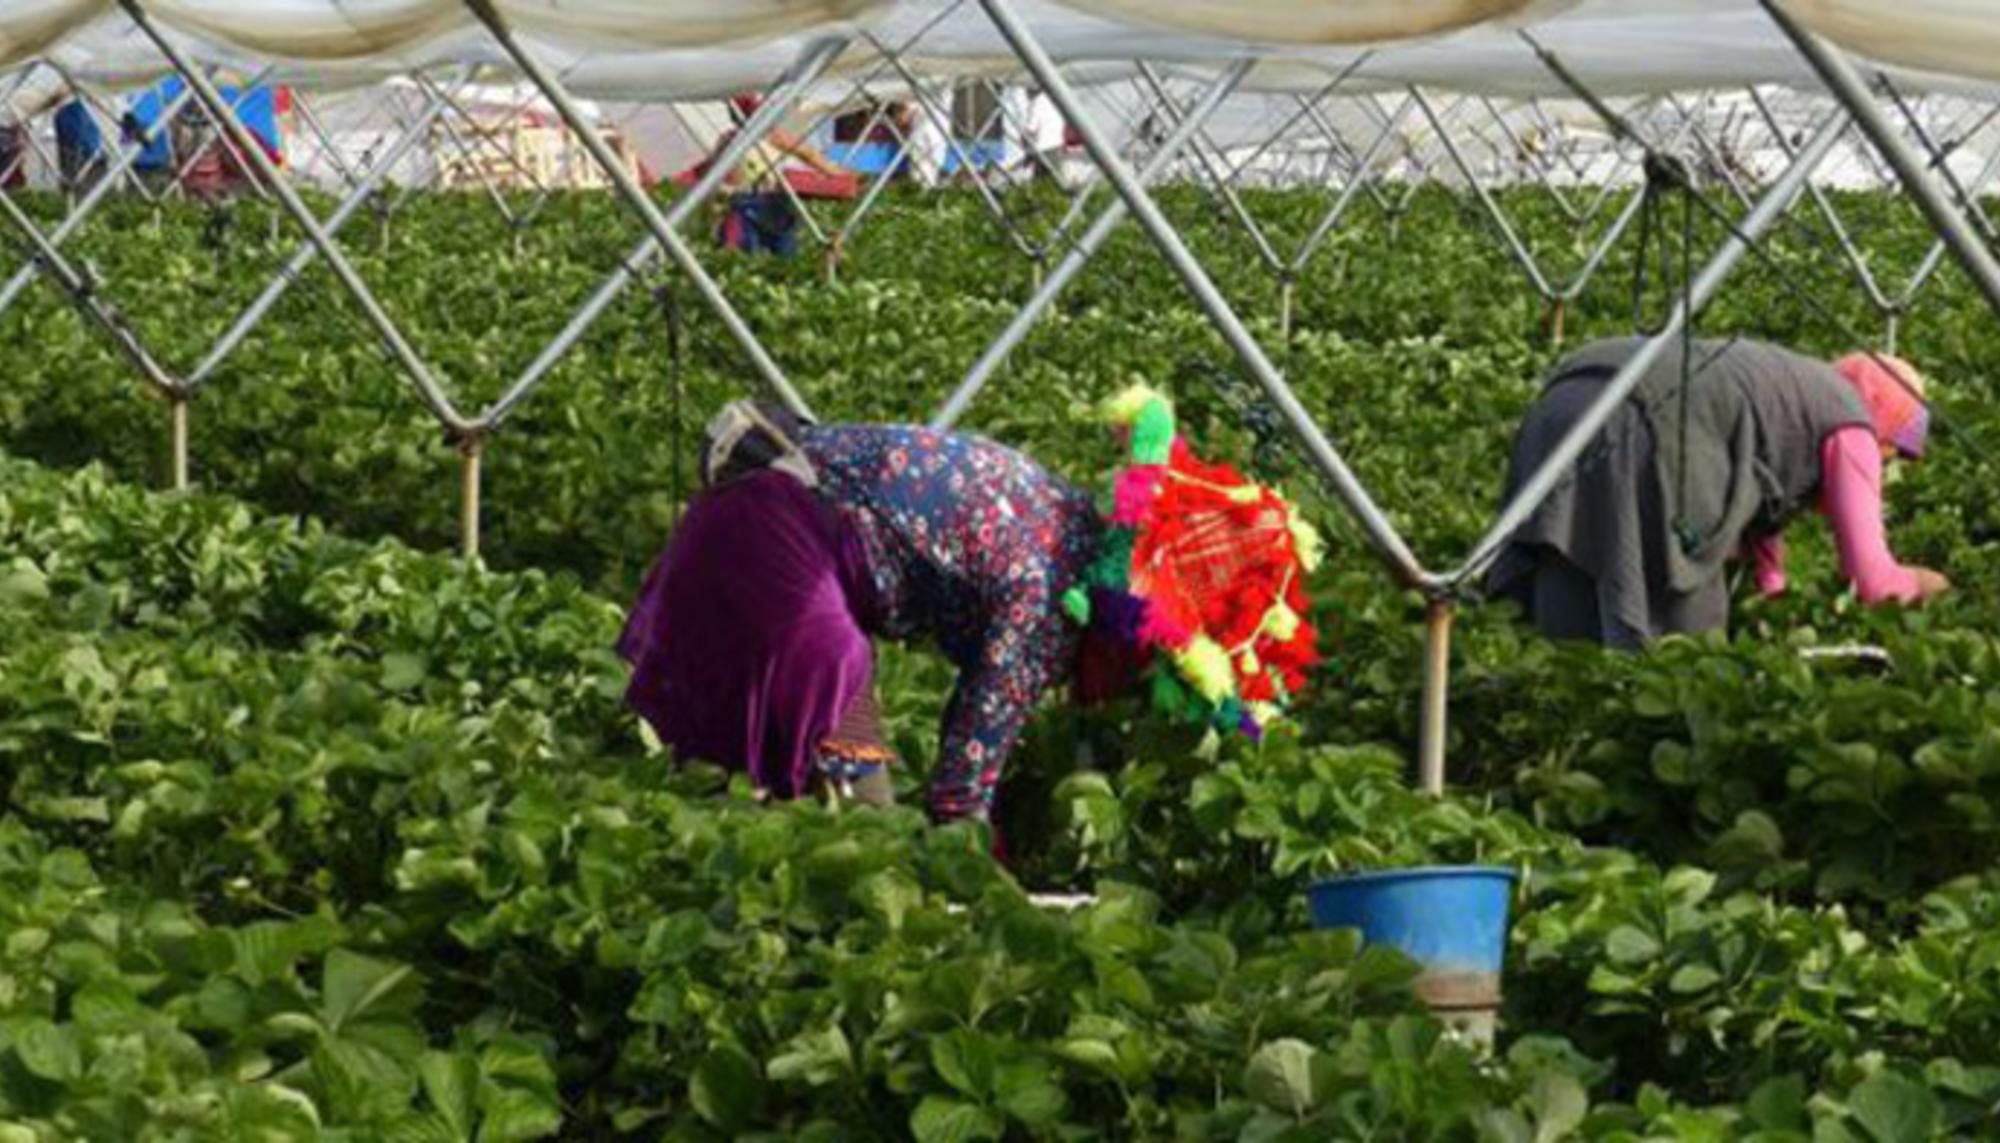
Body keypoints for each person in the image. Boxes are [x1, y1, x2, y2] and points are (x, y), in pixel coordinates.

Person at [618, 401, 1111, 824]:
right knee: (863, 794)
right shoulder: (1050, 601)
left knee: (732, 764)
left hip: (735, 522)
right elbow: (967, 768)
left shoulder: (1067, 516)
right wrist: (967, 861)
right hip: (778, 546)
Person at [1487, 338, 1951, 647]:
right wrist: (1931, 586)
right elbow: (1872, 581)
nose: (1884, 471)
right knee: (1680, 631)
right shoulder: (1854, 424)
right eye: (1891, 455)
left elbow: (1763, 527)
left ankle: (1560, 720)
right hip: (1642, 419)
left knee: (1570, 579)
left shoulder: (1794, 388)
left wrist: (1774, 600)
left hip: (1569, 396)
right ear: (1886, 419)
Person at [710, 95, 848, 257]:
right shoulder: (728, 139)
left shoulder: (771, 135)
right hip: (743, 199)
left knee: (777, 246)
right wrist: (719, 199)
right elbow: (716, 173)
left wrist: (832, 171)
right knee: (744, 249)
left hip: (771, 199)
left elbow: (807, 153)